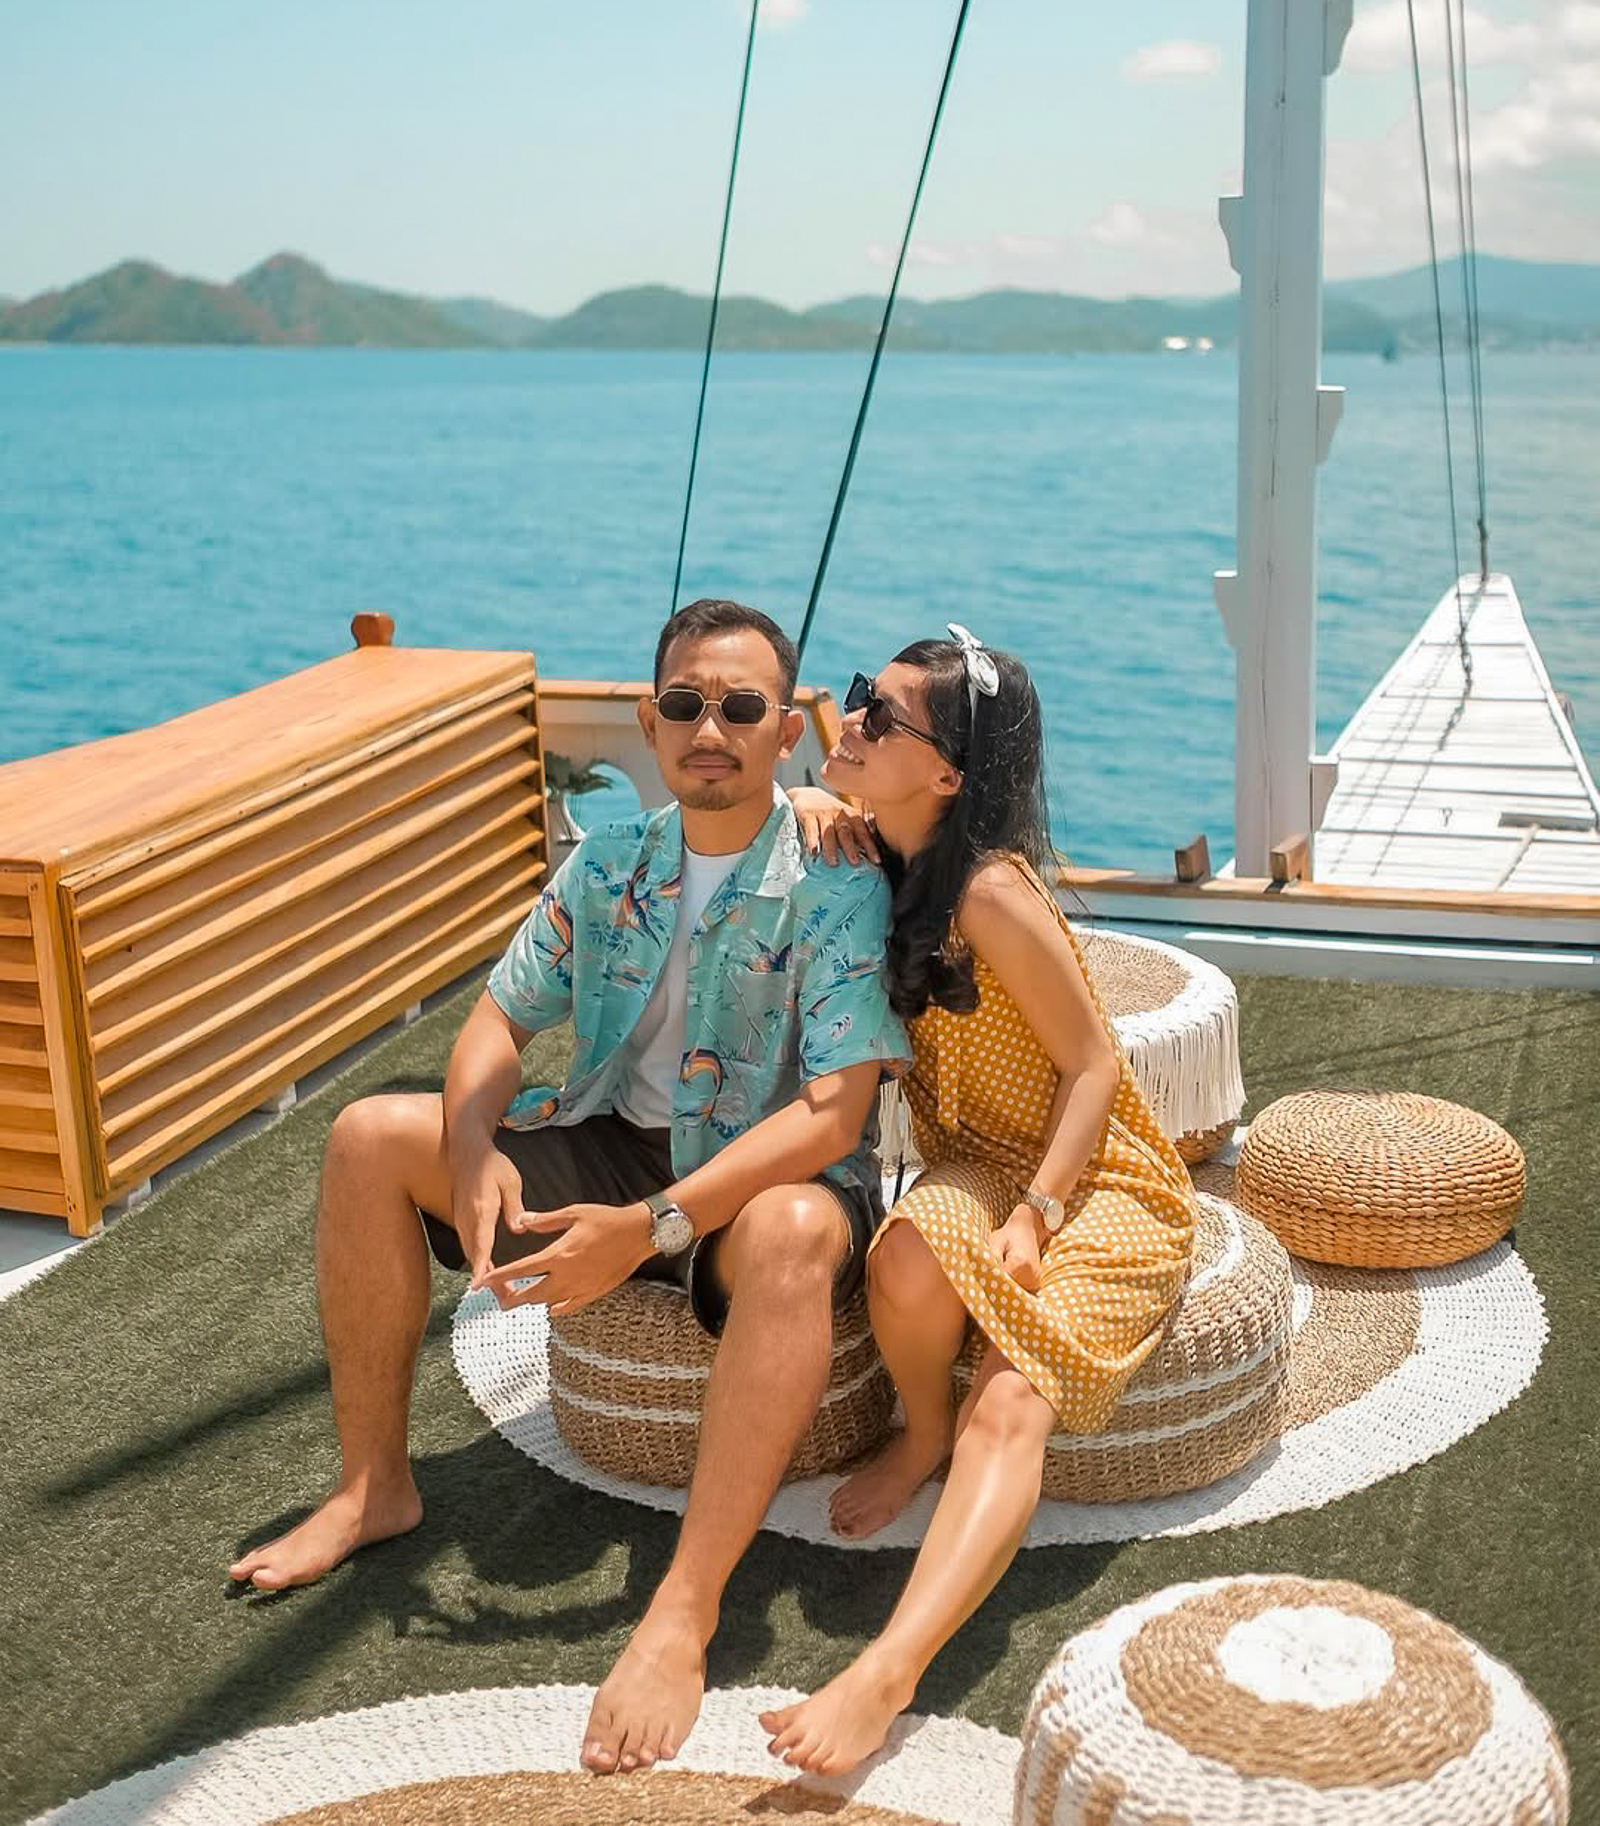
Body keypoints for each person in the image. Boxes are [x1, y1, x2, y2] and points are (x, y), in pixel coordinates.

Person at [229, 597, 908, 1779]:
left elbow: (835, 1114)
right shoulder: (609, 862)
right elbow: (500, 1016)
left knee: (798, 1229)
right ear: (649, 722)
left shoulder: (835, 877)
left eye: (741, 706)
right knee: (370, 1134)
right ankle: (373, 1483)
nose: (710, 727)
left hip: (769, 1171)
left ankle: (684, 1608)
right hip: (612, 1137)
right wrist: (470, 1140)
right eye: (685, 703)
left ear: (784, 730)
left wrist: (650, 1226)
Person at [763, 629, 1196, 1776]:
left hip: (1092, 1177)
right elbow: (765, 795)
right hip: (978, 1162)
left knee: (1012, 1397)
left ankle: (888, 1668)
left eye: (881, 714)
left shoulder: (990, 894)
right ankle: (923, 1429)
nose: (853, 716)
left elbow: (1093, 1066)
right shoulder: (878, 853)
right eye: (863, 695)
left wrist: (1036, 1214)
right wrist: (806, 794)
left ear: (947, 774)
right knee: (903, 1259)